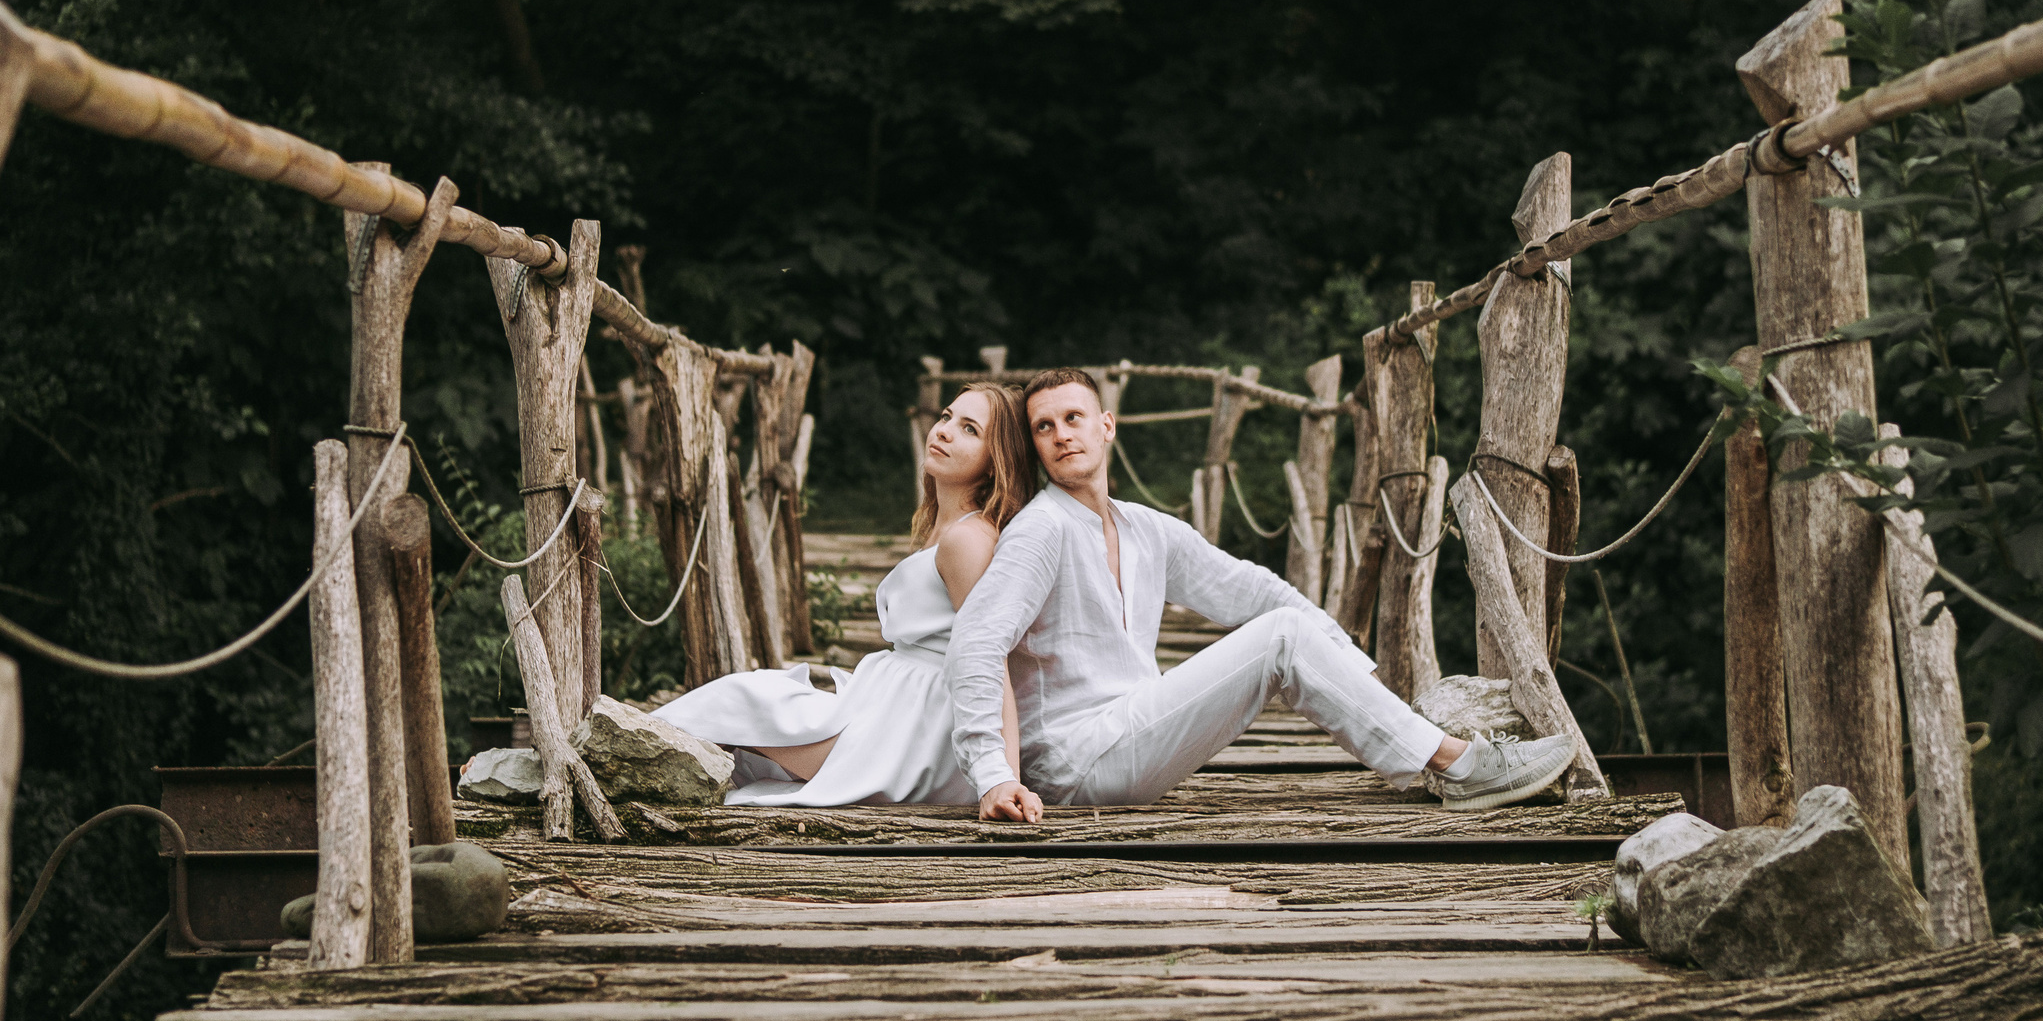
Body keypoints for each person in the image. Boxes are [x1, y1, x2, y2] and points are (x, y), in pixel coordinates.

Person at [947, 367, 1575, 823]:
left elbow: (1246, 588)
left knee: (1284, 622)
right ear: (1033, 445)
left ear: (1106, 425)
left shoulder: (1145, 527)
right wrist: (994, 776)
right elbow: (975, 642)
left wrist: (1342, 656)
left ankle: (1426, 748)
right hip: (1072, 760)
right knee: (1282, 637)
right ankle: (1457, 765)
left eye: (1073, 418)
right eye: (1043, 427)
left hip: (1132, 733)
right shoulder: (1041, 530)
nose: (1061, 434)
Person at [650, 382, 1034, 805]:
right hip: (892, 706)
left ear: (995, 462)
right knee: (744, 712)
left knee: (741, 701)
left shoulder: (968, 540)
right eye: (945, 417)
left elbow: (990, 658)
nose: (944, 431)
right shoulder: (944, 530)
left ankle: (613, 745)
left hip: (919, 728)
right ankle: (620, 748)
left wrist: (1003, 777)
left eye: (969, 429)